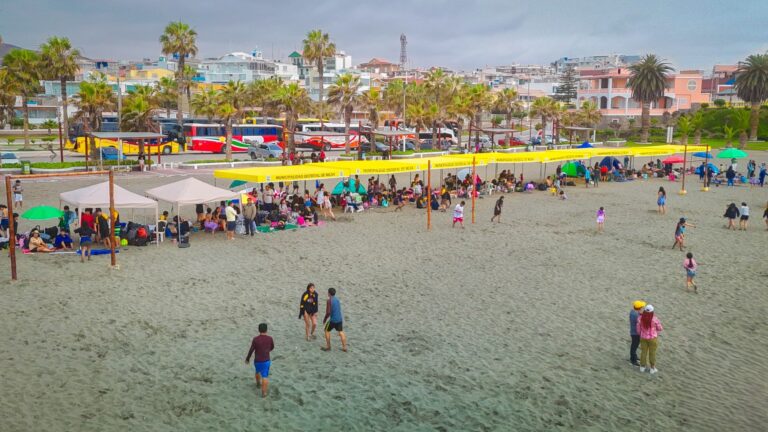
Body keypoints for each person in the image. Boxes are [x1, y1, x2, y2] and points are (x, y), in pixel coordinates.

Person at [245, 323, 274, 398]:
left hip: (257, 360)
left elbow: (251, 350)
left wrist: (247, 358)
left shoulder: (255, 339)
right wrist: (267, 350)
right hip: (266, 360)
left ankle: (258, 383)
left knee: (257, 371)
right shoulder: (270, 338)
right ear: (266, 330)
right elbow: (272, 347)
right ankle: (264, 393)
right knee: (265, 376)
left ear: (259, 330)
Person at [637, 304, 663, 374]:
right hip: (652, 338)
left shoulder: (640, 318)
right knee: (652, 353)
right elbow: (660, 328)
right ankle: (652, 368)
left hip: (643, 337)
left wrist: (641, 334)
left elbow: (638, 330)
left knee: (643, 352)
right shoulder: (654, 319)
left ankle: (642, 367)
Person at [322, 287, 348, 352]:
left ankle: (328, 346)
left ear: (329, 293)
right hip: (339, 319)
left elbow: (328, 312)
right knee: (341, 332)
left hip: (333, 320)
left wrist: (324, 319)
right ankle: (344, 347)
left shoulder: (329, 301)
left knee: (326, 330)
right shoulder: (337, 300)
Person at [629, 300, 646, 366]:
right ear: (639, 308)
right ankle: (633, 360)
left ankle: (634, 357)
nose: (643, 309)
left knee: (634, 345)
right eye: (642, 308)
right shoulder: (636, 315)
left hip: (634, 332)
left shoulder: (633, 312)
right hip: (635, 333)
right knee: (634, 346)